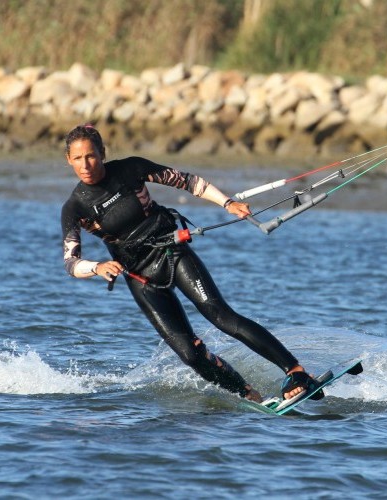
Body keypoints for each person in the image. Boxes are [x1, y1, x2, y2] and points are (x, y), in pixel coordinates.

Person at [61, 124, 324, 403]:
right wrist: (97, 267)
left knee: (221, 316)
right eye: (77, 158)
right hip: (141, 278)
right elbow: (70, 262)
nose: (85, 165)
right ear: (69, 160)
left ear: (102, 153)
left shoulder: (129, 169)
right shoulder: (75, 207)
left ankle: (295, 372)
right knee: (189, 353)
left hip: (172, 253)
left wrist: (227, 203)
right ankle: (249, 395)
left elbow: (187, 182)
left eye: (90, 156)